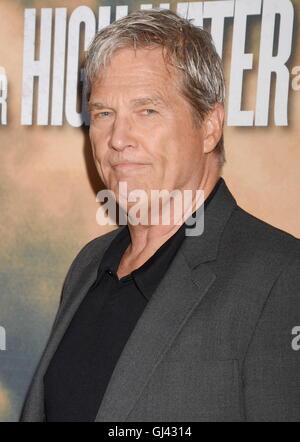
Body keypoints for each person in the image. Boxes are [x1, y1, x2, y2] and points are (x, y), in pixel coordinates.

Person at [20, 9, 300, 422]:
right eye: (103, 113)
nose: (117, 139)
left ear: (209, 126)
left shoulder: (280, 274)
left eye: (147, 111)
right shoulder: (89, 264)